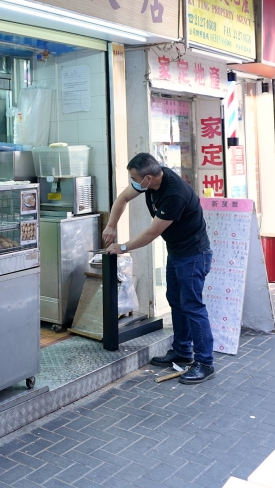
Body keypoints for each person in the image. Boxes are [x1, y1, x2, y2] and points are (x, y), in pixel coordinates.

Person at [101, 153, 215, 385]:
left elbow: (151, 233)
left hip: (193, 255)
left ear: (148, 178)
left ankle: (205, 363)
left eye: (134, 178)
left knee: (192, 306)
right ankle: (182, 351)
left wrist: (121, 247)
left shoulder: (174, 194)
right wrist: (111, 225)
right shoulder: (150, 182)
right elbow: (122, 198)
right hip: (177, 252)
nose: (132, 182)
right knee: (175, 300)